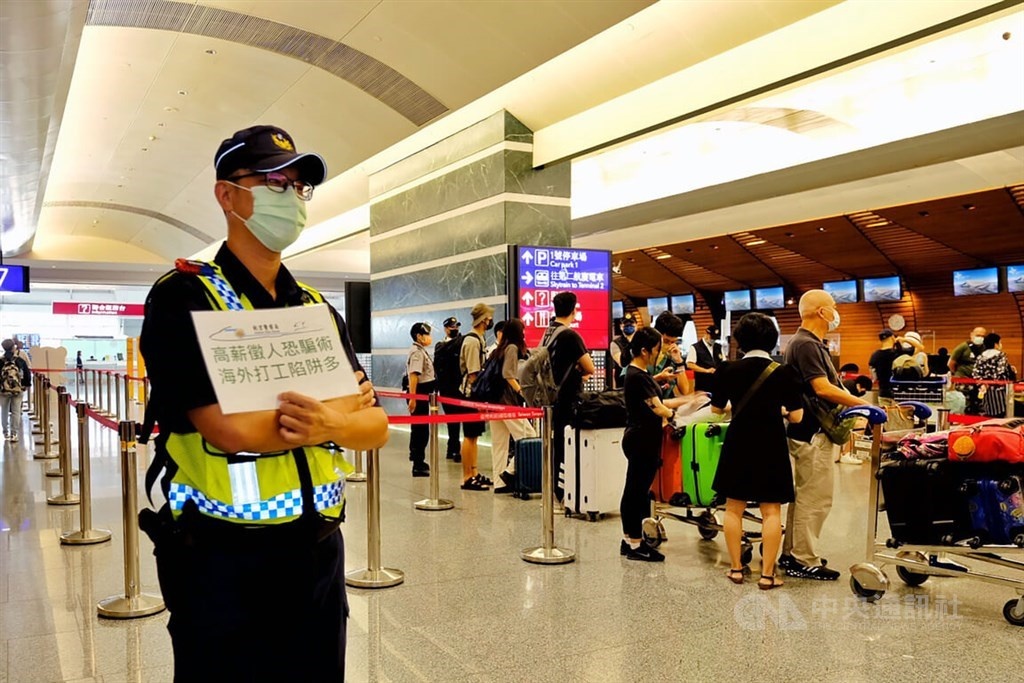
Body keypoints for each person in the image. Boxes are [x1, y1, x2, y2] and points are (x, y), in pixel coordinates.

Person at [137, 124, 388, 681]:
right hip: (221, 561)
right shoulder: (186, 298)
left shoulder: (316, 309)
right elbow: (228, 429)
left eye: (300, 186)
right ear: (228, 194)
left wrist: (335, 420)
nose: (292, 197)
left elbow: (375, 427)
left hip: (319, 551)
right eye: (275, 181)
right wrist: (335, 418)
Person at [779, 289, 870, 581]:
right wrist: (865, 406)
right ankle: (803, 558)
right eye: (833, 306)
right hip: (813, 431)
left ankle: (792, 553)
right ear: (822, 312)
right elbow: (822, 388)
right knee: (815, 497)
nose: (835, 311)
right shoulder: (807, 344)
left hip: (805, 429)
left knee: (805, 495)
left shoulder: (803, 343)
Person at [710, 313, 803, 588]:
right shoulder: (785, 372)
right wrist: (779, 410)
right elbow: (796, 417)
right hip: (771, 442)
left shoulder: (727, 369)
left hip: (738, 441)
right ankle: (767, 575)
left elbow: (717, 411)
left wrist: (738, 407)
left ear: (740, 341)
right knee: (771, 510)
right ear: (773, 340)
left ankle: (737, 569)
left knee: (733, 508)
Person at [618, 327, 673, 562]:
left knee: (637, 491)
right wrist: (672, 413)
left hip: (641, 438)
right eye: (656, 350)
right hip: (641, 439)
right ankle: (634, 545)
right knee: (636, 492)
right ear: (644, 350)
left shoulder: (639, 374)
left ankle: (630, 540)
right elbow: (657, 407)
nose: (658, 355)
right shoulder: (637, 376)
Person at [544, 291, 595, 502]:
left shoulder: (548, 332)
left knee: (555, 443)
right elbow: (589, 367)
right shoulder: (570, 335)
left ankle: (554, 487)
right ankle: (564, 491)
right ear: (574, 310)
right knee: (567, 444)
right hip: (567, 398)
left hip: (551, 397)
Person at [487, 319, 536, 494]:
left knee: (499, 444)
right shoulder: (513, 348)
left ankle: (499, 484)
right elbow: (508, 374)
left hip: (493, 402)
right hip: (507, 402)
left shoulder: (498, 349)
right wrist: (521, 391)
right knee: (530, 435)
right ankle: (509, 472)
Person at [458, 303, 494, 491]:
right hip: (471, 394)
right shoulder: (472, 341)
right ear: (483, 319)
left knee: (474, 436)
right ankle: (467, 476)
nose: (490, 321)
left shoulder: (478, 339)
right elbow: (473, 374)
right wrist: (480, 398)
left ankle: (474, 472)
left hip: (476, 394)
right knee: (470, 436)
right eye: (488, 318)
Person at [406, 322, 434, 477]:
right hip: (419, 394)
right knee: (420, 430)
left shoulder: (421, 351)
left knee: (421, 429)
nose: (429, 338)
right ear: (419, 336)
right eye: (427, 334)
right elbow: (413, 376)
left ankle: (419, 460)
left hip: (422, 394)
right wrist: (413, 398)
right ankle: (418, 462)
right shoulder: (417, 353)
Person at [436, 316, 463, 462]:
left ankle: (454, 448)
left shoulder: (461, 342)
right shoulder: (440, 345)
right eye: (452, 327)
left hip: (458, 388)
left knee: (457, 419)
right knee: (451, 419)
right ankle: (452, 447)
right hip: (445, 388)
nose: (455, 329)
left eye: (456, 326)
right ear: (446, 329)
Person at [973, 332, 1018, 417]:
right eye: (1000, 342)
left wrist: (983, 384)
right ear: (996, 344)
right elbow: (1000, 372)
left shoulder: (980, 357)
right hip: (999, 391)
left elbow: (976, 373)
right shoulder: (1001, 356)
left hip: (984, 390)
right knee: (1000, 413)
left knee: (988, 413)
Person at [651, 311, 692, 398]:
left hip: (667, 405)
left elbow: (685, 390)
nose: (669, 345)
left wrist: (679, 361)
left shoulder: (671, 357)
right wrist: (657, 378)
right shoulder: (642, 353)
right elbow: (632, 386)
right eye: (666, 341)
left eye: (673, 342)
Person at [1, 339, 31, 441]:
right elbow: (27, 373)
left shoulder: (0, 361)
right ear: (13, 347)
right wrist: (26, 385)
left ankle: (5, 433)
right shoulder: (19, 360)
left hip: (3, 390)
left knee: (4, 410)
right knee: (16, 411)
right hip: (18, 389)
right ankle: (14, 433)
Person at [687, 324, 723, 393]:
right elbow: (690, 364)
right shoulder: (695, 347)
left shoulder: (718, 347)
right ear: (706, 333)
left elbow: (723, 362)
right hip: (702, 386)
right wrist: (706, 370)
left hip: (717, 385)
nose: (713, 340)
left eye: (715, 339)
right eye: (712, 338)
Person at [868, 329, 900, 403]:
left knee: (885, 413)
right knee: (898, 414)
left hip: (883, 392)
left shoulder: (875, 355)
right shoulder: (897, 353)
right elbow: (920, 348)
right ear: (892, 337)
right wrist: (903, 340)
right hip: (898, 392)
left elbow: (873, 375)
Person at [609, 313, 637, 389]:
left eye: (631, 324)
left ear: (636, 325)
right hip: (623, 381)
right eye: (626, 324)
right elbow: (621, 362)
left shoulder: (642, 341)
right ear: (621, 327)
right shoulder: (615, 343)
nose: (629, 326)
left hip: (641, 379)